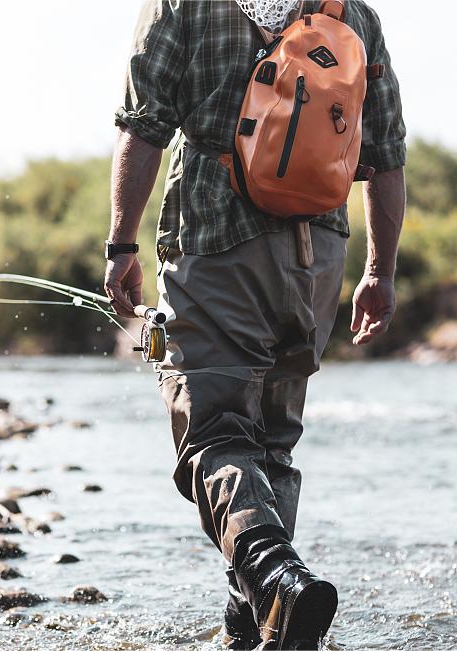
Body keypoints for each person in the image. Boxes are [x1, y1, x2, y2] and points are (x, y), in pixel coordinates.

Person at [104, 1, 406, 648]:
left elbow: (143, 125)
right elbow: (383, 153)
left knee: (213, 435)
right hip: (317, 256)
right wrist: (379, 271)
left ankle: (276, 580)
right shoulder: (352, 11)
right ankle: (255, 627)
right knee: (272, 443)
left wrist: (120, 246)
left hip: (217, 239)